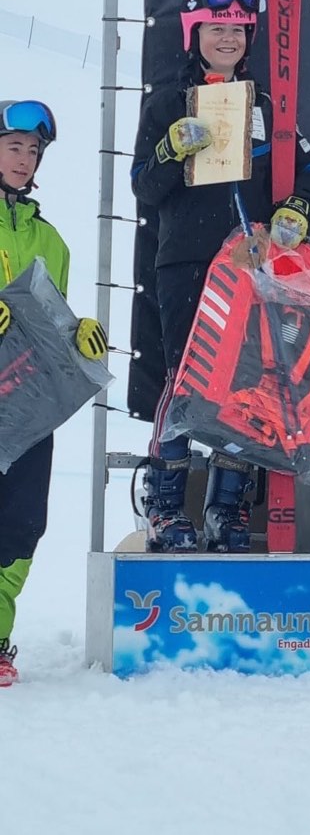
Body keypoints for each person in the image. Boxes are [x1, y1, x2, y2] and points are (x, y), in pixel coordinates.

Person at [131, 0, 310, 553]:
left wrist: (295, 208)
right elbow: (145, 187)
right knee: (185, 379)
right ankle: (167, 507)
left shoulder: (265, 104)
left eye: (239, 30)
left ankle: (227, 508)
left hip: (250, 265)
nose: (228, 39)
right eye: (217, 28)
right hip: (187, 262)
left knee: (246, 386)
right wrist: (171, 149)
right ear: (195, 33)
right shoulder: (167, 103)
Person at [0, 100, 108, 687]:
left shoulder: (51, 240)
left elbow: (49, 322)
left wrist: (79, 338)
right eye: (14, 146)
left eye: (33, 150)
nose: (25, 158)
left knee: (19, 527)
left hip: (26, 409)